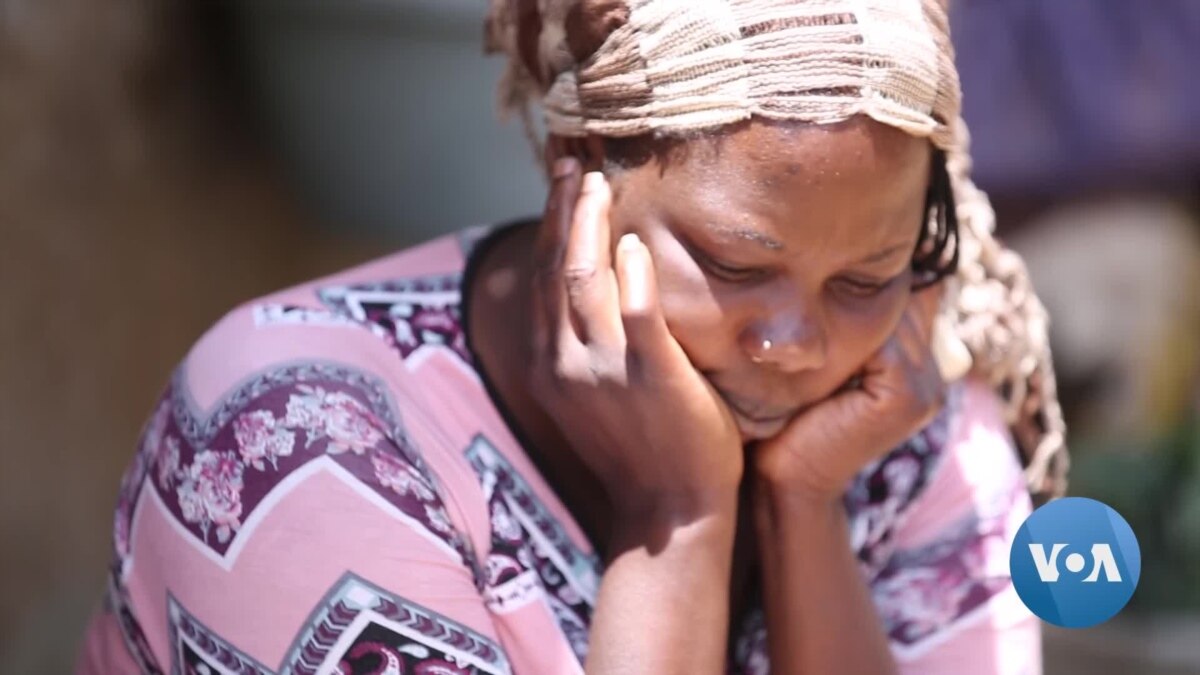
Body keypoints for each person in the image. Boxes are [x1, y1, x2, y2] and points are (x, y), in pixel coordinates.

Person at [76, 1, 1069, 673]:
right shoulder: (300, 446)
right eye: (733, 265)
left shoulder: (910, 423)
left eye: (865, 278)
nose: (797, 343)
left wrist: (802, 506)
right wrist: (679, 516)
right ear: (581, 163)